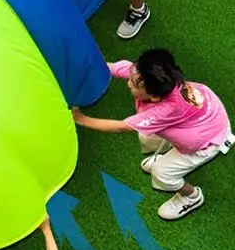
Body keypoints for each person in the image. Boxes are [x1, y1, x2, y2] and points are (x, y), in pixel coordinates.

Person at [73, 49, 233, 221]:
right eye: (132, 77)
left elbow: (121, 127)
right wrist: (92, 66)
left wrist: (81, 119)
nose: (129, 83)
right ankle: (167, 156)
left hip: (207, 142)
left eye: (134, 85)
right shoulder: (148, 74)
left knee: (161, 173)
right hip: (203, 118)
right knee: (146, 137)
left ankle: (191, 196)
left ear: (154, 97)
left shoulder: (164, 110)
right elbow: (117, 68)